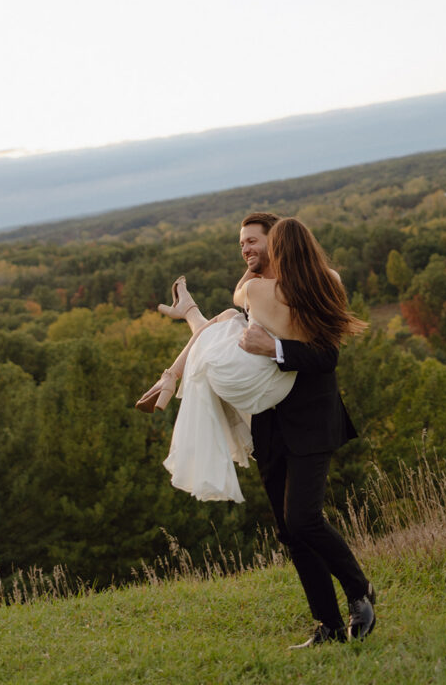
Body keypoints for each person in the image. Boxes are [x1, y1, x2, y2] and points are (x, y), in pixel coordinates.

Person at [137, 213, 376, 647]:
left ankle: (359, 591)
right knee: (290, 530)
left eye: (253, 241)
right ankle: (329, 626)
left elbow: (326, 357)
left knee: (304, 519)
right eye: (241, 244)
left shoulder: (315, 284)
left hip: (311, 421)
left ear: (276, 243)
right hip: (268, 425)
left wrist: (277, 349)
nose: (246, 249)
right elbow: (220, 337)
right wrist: (178, 354)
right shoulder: (253, 295)